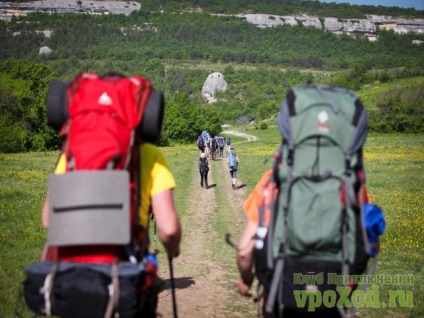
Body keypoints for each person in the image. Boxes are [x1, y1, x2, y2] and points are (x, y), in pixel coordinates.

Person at [41, 142, 182, 317]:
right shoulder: (149, 154)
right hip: (126, 280)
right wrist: (173, 250)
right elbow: (169, 230)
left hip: (74, 280)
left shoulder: (71, 153)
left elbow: (48, 219)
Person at [234, 169, 372, 318]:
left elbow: (244, 253)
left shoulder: (274, 177)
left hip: (279, 302)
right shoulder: (350, 181)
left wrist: (246, 280)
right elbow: (362, 245)